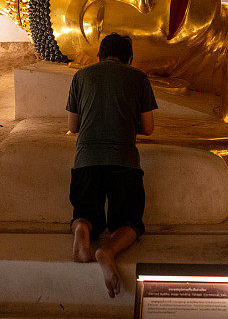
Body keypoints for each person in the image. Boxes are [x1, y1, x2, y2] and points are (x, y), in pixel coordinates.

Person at [65, 33, 157, 298]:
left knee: (85, 214)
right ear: (129, 58)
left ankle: (82, 228)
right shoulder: (138, 78)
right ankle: (109, 251)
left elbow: (73, 127)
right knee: (130, 222)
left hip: (86, 162)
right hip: (124, 162)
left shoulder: (81, 76)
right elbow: (149, 129)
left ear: (99, 56)